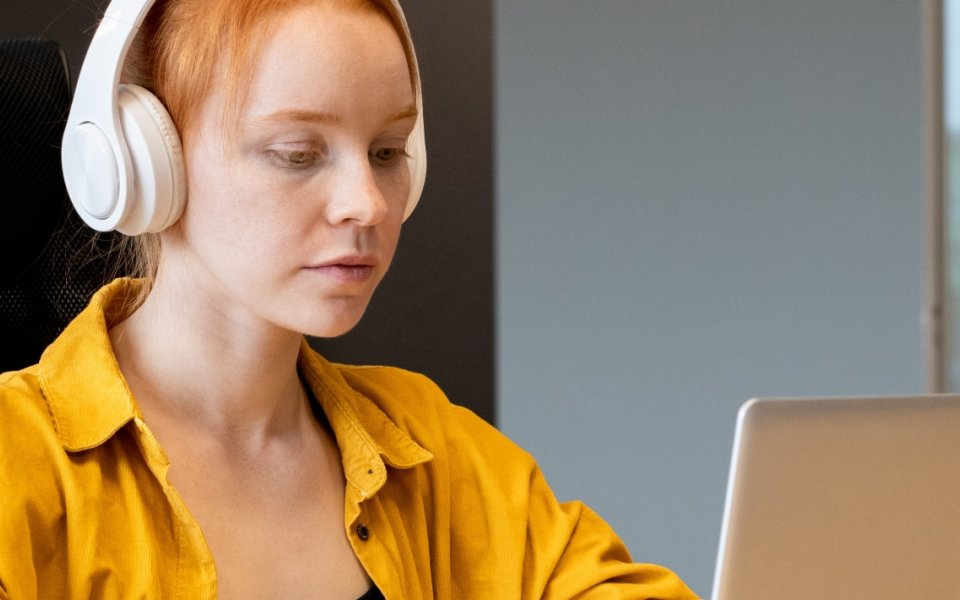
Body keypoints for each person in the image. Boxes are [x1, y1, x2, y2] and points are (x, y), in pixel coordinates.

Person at [0, 0, 699, 598]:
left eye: (388, 152)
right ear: (143, 162)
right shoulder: (17, 463)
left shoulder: (431, 450)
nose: (366, 203)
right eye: (298, 153)